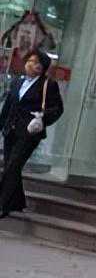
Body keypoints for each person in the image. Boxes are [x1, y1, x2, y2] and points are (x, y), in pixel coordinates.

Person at [0, 49, 64, 217]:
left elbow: (58, 109)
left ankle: (3, 205)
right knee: (10, 166)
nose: (31, 65)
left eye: (36, 63)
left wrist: (43, 118)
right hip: (11, 130)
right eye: (29, 61)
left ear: (42, 67)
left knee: (13, 165)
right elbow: (8, 105)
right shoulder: (17, 81)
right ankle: (17, 202)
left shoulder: (48, 85)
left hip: (29, 133)